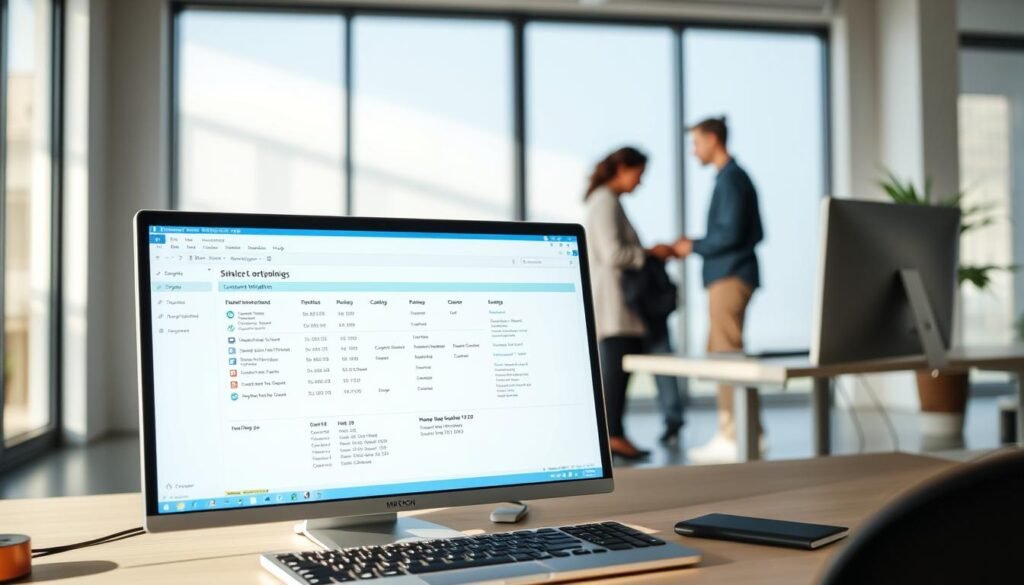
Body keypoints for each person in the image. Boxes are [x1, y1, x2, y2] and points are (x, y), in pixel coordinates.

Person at [673, 116, 765, 464]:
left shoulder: (731, 180)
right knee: (726, 351)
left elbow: (731, 234)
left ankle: (733, 435)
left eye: (696, 142)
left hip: (729, 276)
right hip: (733, 274)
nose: (694, 150)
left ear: (713, 139)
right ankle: (750, 432)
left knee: (725, 355)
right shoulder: (735, 178)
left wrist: (693, 246)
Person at [584, 147, 681, 460]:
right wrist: (650, 253)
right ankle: (613, 436)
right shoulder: (604, 201)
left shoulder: (609, 201)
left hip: (621, 305)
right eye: (638, 174)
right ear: (622, 168)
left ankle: (616, 434)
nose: (640, 182)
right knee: (616, 372)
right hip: (615, 304)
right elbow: (613, 254)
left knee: (619, 372)